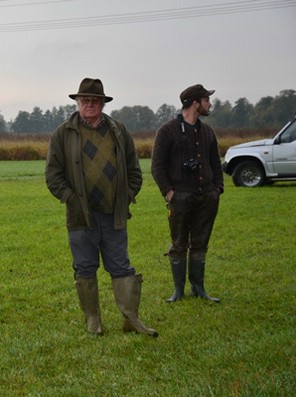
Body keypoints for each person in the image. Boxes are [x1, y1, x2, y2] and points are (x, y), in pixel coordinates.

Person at [45, 78, 157, 337]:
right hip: (80, 216)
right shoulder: (64, 133)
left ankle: (131, 319)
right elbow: (53, 175)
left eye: (95, 100)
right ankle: (93, 319)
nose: (90, 104)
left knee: (121, 267)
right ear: (77, 102)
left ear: (103, 103)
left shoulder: (119, 130)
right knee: (85, 267)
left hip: (113, 215)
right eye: (85, 100)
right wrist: (72, 199)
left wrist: (125, 197)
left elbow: (134, 172)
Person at [151, 84, 223, 303]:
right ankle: (178, 291)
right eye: (206, 100)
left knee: (200, 243)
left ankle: (199, 288)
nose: (209, 103)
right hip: (180, 198)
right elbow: (157, 166)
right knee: (179, 244)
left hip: (207, 197)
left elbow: (215, 163)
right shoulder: (167, 131)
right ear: (195, 103)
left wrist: (217, 189)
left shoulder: (207, 131)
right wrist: (169, 192)